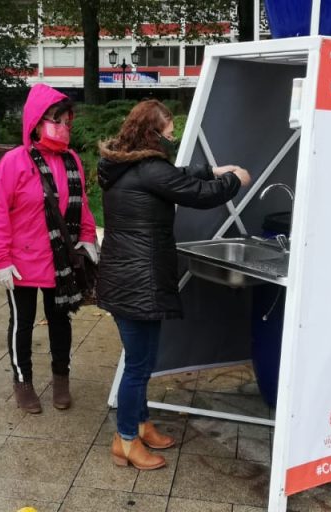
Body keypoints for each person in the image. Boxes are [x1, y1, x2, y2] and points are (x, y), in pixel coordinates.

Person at [96, 99, 250, 470]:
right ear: (151, 134)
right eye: (167, 134)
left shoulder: (124, 164)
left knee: (142, 361)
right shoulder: (148, 168)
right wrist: (234, 180)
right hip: (139, 281)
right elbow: (199, 195)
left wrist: (211, 169)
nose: (171, 139)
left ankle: (140, 424)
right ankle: (126, 440)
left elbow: (177, 176)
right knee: (139, 365)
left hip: (125, 278)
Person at [0, 84, 98, 414]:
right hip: (20, 262)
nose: (63, 127)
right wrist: (0, 259)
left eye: (67, 121)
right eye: (56, 120)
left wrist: (87, 238)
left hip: (59, 260)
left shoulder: (71, 160)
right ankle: (23, 383)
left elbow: (83, 205)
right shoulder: (14, 162)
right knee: (22, 323)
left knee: (60, 322)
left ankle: (61, 380)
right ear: (37, 121)